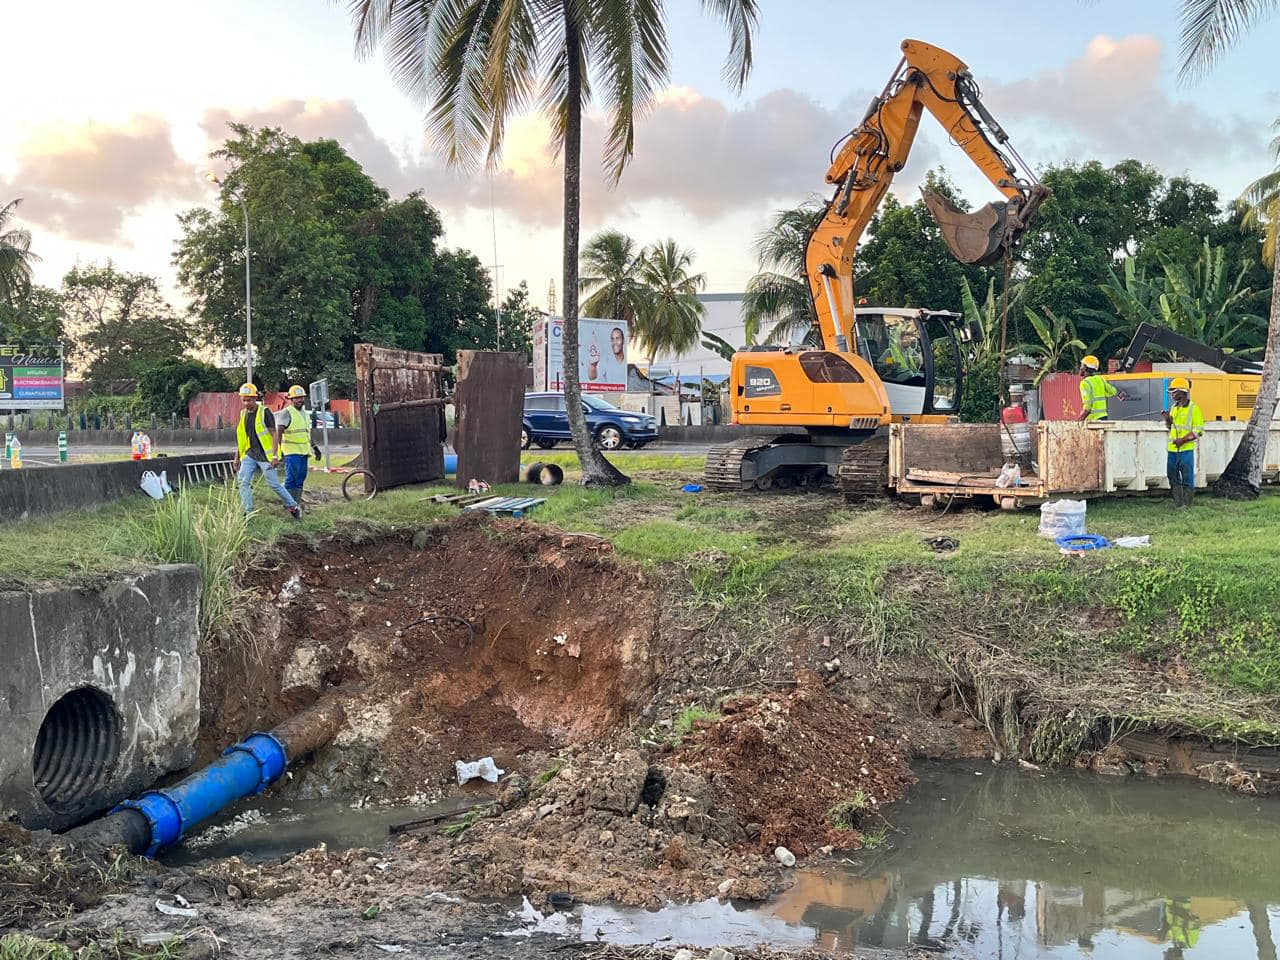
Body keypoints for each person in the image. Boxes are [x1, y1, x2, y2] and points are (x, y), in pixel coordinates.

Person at [233, 383, 299, 519]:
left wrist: (275, 456)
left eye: (249, 400)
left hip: (266, 457)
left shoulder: (264, 412)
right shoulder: (243, 414)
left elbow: (274, 434)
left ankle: (293, 506)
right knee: (243, 482)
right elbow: (242, 438)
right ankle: (248, 512)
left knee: (274, 484)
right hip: (250, 455)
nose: (246, 403)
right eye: (244, 400)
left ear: (255, 398)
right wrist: (237, 457)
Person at [273, 385, 320, 508]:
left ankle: (296, 502)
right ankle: (288, 503)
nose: (299, 400)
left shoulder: (305, 413)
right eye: (296, 398)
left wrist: (315, 448)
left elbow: (306, 433)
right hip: (291, 452)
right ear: (291, 399)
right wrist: (277, 452)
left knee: (301, 477)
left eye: (301, 397)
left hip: (303, 451)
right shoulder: (286, 413)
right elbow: (279, 432)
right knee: (291, 478)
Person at [1165, 377, 1204, 510]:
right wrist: (1167, 420)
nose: (1172, 394)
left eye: (1174, 392)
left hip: (1186, 449)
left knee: (1187, 477)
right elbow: (1171, 427)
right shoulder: (1173, 408)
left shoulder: (1194, 408)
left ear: (1182, 392)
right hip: (1172, 449)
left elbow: (1198, 431)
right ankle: (1178, 503)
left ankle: (1187, 504)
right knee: (1172, 476)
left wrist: (1183, 440)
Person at [1078, 355, 1117, 421]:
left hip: (1093, 420)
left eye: (1082, 365)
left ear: (1086, 368)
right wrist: (1100, 392)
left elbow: (1088, 406)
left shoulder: (1084, 383)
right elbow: (1113, 391)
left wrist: (1080, 419)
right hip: (1104, 417)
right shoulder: (1100, 379)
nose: (1080, 368)